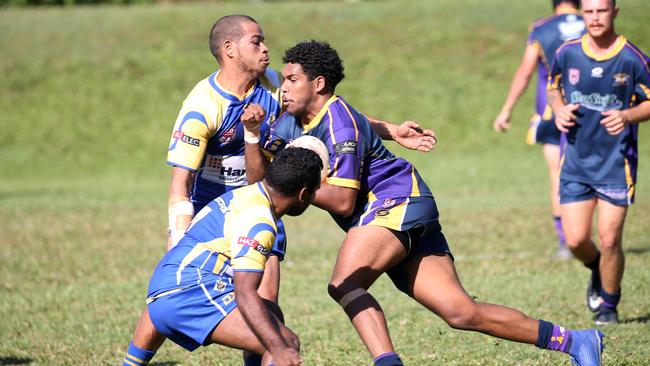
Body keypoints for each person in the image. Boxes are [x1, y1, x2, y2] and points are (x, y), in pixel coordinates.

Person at [244, 40, 605, 366]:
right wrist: (252, 137)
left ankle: (388, 363)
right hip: (399, 208)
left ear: (318, 84)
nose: (284, 87)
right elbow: (260, 177)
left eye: (292, 80)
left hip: (397, 199)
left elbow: (341, 201)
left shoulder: (341, 126)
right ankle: (576, 342)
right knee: (461, 312)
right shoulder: (295, 119)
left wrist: (289, 186)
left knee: (344, 284)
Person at [123, 14, 437, 366]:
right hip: (215, 210)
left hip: (265, 203)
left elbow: (329, 112)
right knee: (175, 285)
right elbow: (179, 184)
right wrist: (177, 238)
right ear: (229, 49)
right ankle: (133, 362)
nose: (266, 47)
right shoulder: (202, 107)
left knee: (266, 306)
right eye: (256, 41)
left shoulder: (273, 84)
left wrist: (390, 130)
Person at [123, 147, 322, 366]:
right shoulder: (259, 221)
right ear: (303, 194)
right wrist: (277, 349)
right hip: (188, 294)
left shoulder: (246, 194)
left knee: (271, 316)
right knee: (284, 342)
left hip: (165, 287)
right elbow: (245, 293)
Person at [547, 0, 650, 325]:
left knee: (609, 239)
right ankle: (596, 268)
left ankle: (609, 305)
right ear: (582, 14)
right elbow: (553, 88)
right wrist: (560, 107)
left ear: (614, 13)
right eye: (588, 12)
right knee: (577, 240)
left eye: (601, 11)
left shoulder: (632, 59)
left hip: (616, 164)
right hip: (576, 162)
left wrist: (628, 114)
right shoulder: (567, 52)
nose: (594, 18)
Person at [493, 0, 585, 259]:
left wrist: (506, 109)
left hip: (552, 113)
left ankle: (565, 241)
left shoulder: (541, 29)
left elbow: (525, 72)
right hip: (592, 111)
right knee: (594, 172)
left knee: (557, 174)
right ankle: (593, 235)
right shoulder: (595, 22)